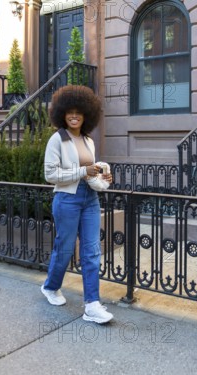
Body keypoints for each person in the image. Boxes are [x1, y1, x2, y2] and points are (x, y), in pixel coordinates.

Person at [41, 85, 114, 324]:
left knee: (92, 250)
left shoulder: (88, 140)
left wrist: (102, 177)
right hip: (67, 200)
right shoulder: (57, 139)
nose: (74, 116)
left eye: (79, 112)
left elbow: (90, 173)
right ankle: (51, 286)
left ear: (86, 114)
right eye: (69, 112)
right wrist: (84, 170)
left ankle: (92, 305)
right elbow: (50, 174)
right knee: (64, 248)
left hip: (90, 199)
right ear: (62, 114)